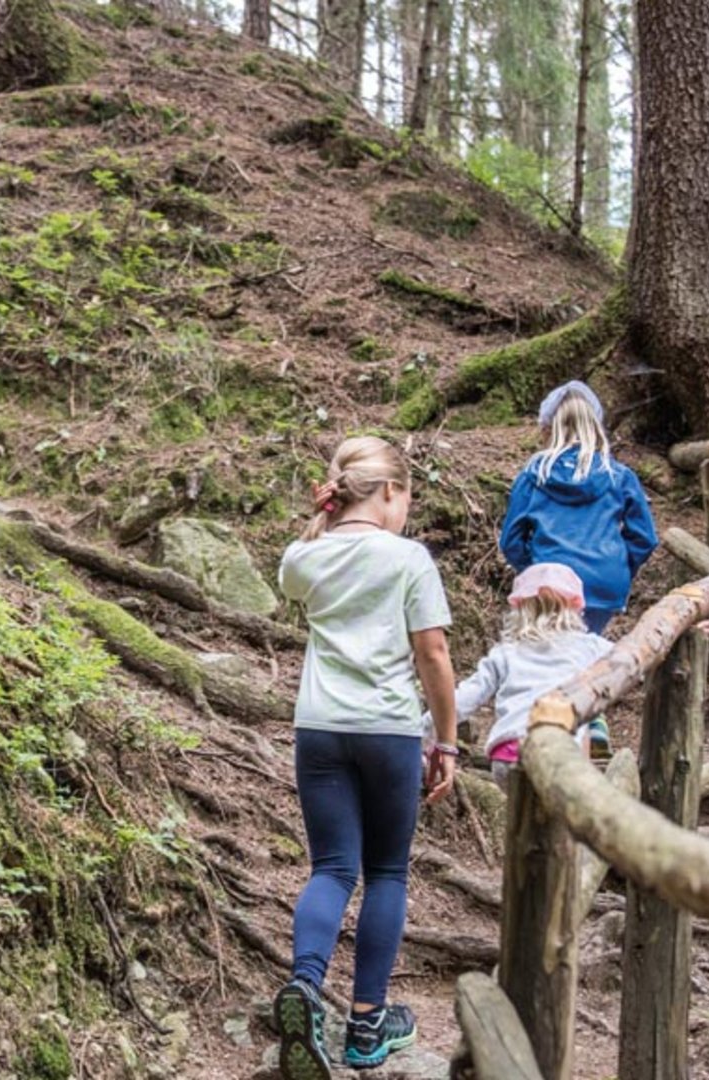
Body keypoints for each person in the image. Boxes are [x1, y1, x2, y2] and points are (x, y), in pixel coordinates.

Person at [273, 435, 460, 1077]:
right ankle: (366, 1027)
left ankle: (304, 988)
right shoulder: (409, 559)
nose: (406, 510)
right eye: (406, 496)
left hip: (319, 728)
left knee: (331, 868)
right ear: (388, 492)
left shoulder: (303, 558)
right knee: (387, 873)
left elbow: (302, 566)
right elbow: (432, 654)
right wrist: (448, 740)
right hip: (388, 732)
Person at [498, 380, 658, 752]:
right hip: (604, 582)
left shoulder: (534, 474)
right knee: (580, 646)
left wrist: (533, 571)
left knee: (553, 650)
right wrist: (620, 568)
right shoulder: (619, 476)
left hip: (550, 582)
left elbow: (511, 538)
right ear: (597, 425)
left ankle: (572, 728)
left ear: (547, 427)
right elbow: (644, 537)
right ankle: (587, 724)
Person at [447, 563, 613, 775]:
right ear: (575, 608)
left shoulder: (506, 652)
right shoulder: (589, 646)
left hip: (508, 755)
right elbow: (629, 658)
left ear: (519, 609)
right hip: (561, 756)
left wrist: (423, 731)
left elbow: (467, 696)